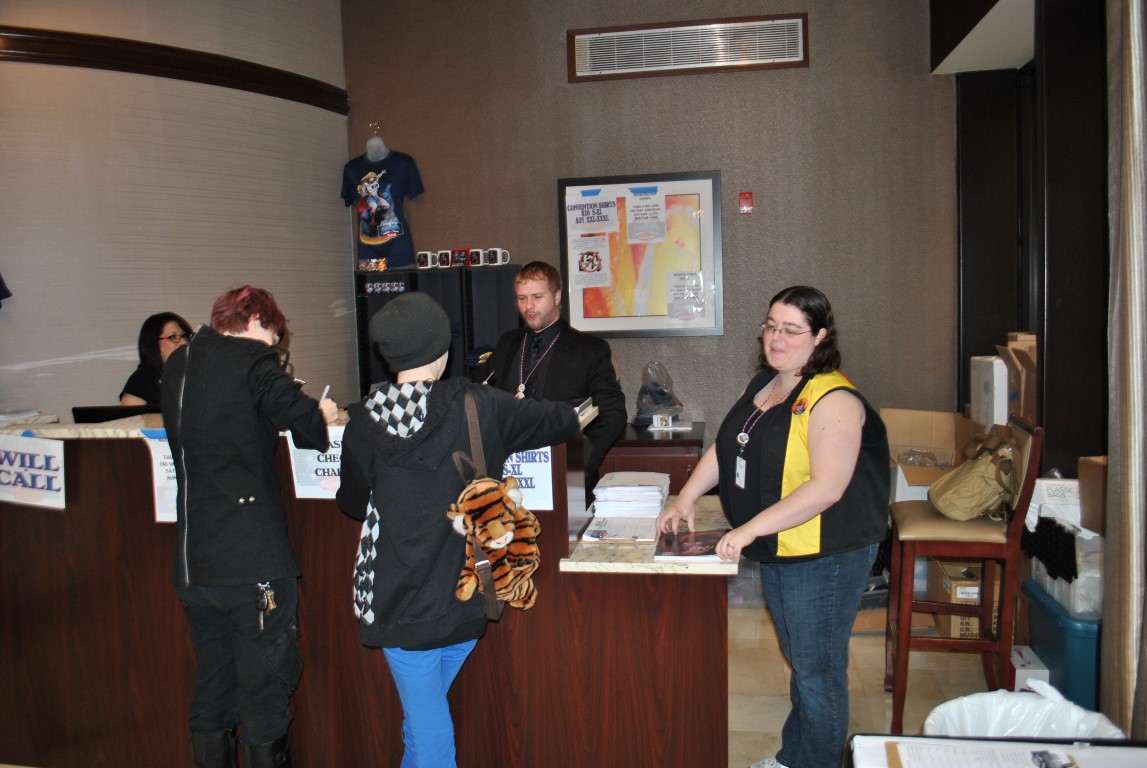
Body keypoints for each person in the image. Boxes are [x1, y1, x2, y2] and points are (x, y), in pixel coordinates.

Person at [337, 292, 581, 768]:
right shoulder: (481, 405)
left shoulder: (362, 422)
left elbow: (350, 503)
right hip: (466, 595)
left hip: (395, 603)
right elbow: (566, 419)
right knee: (426, 731)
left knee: (425, 727)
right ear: (442, 349)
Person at [656, 286, 890, 768]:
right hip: (782, 546)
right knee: (802, 662)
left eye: (791, 330)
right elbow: (727, 447)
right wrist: (686, 496)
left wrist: (747, 531)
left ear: (820, 336)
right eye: (770, 326)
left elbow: (826, 489)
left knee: (817, 672)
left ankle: (815, 762)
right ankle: (794, 758)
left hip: (824, 554)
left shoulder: (834, 398)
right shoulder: (765, 385)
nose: (776, 338)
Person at [161, 286, 339, 768]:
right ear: (256, 319)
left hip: (194, 561)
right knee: (264, 696)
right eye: (274, 336)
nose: (274, 346)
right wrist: (321, 413)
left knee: (212, 689)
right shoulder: (253, 360)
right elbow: (305, 426)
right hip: (252, 562)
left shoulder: (179, 362)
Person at [472, 260, 626, 490]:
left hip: (564, 476)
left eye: (537, 297)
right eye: (521, 298)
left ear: (557, 297)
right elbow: (478, 394)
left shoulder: (590, 349)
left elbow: (613, 412)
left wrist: (581, 460)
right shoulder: (507, 343)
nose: (528, 306)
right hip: (508, 478)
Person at [340, 127, 424, 269]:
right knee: (369, 284)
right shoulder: (352, 169)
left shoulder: (403, 163)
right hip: (367, 246)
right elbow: (353, 201)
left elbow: (394, 200)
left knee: (404, 283)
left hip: (398, 244)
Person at [120, 311, 194, 405]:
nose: (184, 342)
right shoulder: (141, 380)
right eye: (173, 336)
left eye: (185, 336)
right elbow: (131, 415)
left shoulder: (198, 375)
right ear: (154, 344)